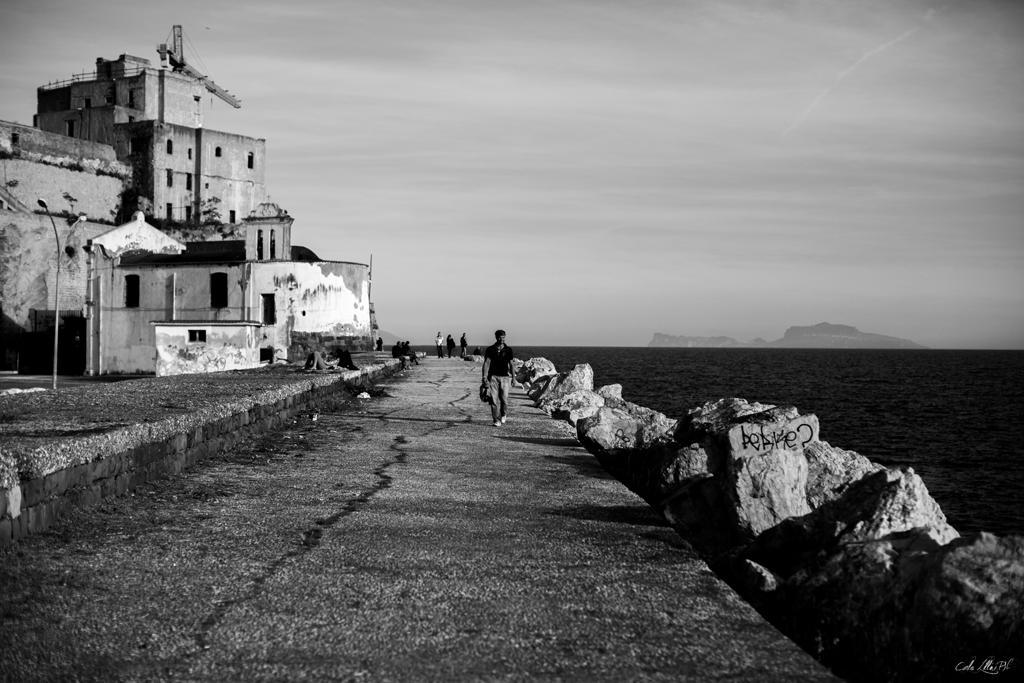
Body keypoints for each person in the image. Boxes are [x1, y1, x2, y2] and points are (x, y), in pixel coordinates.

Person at [482, 329, 515, 427]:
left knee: (504, 399)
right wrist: (484, 376)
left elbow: (511, 364)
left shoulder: (508, 350)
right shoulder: (490, 349)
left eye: (503, 337)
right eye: (500, 337)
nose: (502, 339)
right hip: (493, 377)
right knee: (493, 399)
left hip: (505, 377)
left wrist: (514, 377)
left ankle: (503, 414)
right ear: (496, 337)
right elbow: (486, 363)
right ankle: (496, 419)